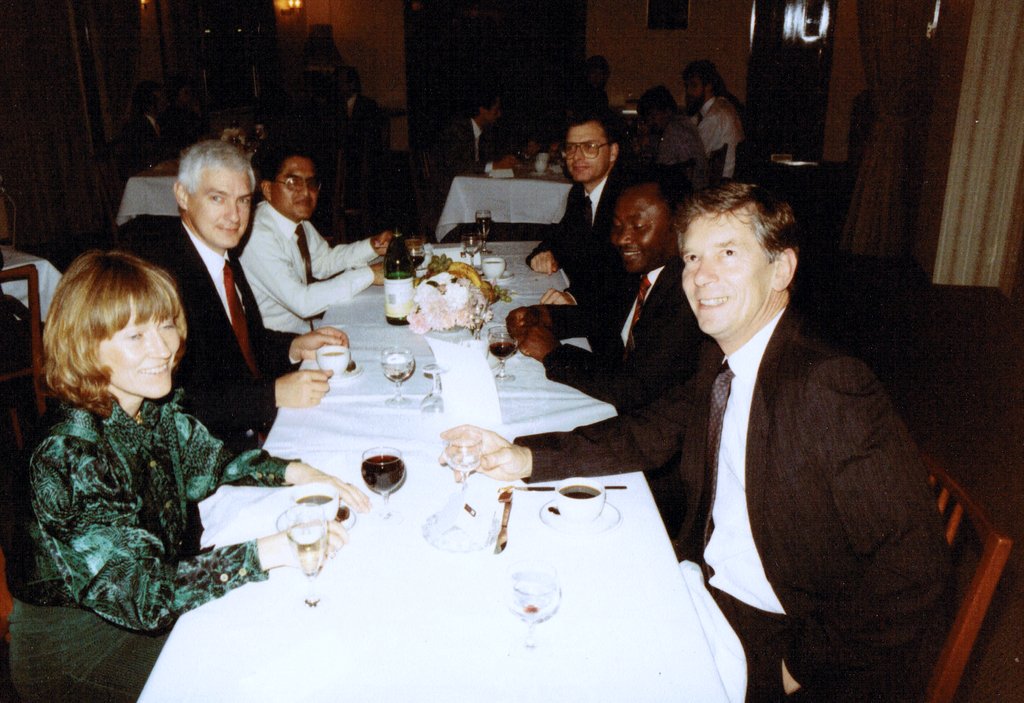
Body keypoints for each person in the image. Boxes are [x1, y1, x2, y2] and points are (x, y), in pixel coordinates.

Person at [444, 183, 951, 701]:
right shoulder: (723, 358)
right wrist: (524, 456)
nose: (701, 276)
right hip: (703, 586)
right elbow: (647, 432)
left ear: (781, 269)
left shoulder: (825, 384)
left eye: (727, 254)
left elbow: (917, 568)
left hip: (775, 634)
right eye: (691, 257)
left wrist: (796, 666)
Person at [6, 250, 370, 702]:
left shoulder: (149, 407)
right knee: (260, 668)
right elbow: (145, 597)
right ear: (86, 346)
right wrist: (273, 549)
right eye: (135, 335)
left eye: (165, 325)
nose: (163, 348)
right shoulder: (69, 456)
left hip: (145, 601)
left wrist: (299, 471)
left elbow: (213, 462)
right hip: (81, 649)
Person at [133, 140, 347, 451]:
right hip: (210, 451)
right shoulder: (162, 278)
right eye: (217, 198)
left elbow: (243, 344)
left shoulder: (221, 253)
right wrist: (271, 395)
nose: (234, 216)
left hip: (248, 422)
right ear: (182, 195)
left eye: (243, 201)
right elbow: (170, 403)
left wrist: (294, 347)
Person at [508, 173, 702, 412]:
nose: (622, 239)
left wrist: (552, 353)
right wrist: (545, 316)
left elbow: (634, 388)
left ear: (679, 227)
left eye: (638, 226)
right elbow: (603, 318)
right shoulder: (642, 270)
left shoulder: (688, 296)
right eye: (617, 226)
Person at [241, 143, 392, 334]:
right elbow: (303, 303)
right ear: (268, 189)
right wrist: (369, 275)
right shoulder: (257, 235)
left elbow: (323, 261)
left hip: (306, 328)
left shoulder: (296, 221)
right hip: (279, 342)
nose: (305, 192)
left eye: (311, 183)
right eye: (292, 182)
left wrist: (372, 246)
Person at [526, 109, 635, 315]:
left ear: (613, 152)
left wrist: (575, 297)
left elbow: (622, 275)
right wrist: (544, 254)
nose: (577, 156)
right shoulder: (578, 193)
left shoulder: (627, 200)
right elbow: (562, 237)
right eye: (571, 147)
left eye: (589, 147)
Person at [636, 85, 709, 190]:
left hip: (689, 191)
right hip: (696, 186)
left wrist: (644, 144)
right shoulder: (683, 123)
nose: (650, 122)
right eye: (648, 118)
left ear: (667, 112)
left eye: (653, 116)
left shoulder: (674, 131)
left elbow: (660, 169)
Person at [438, 87, 517, 184]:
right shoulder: (457, 130)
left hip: (474, 183)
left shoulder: (487, 130)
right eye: (496, 110)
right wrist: (493, 166)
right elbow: (455, 166)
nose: (499, 114)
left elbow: (492, 156)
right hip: (452, 186)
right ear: (483, 110)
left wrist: (506, 160)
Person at [682, 60, 744, 179]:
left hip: (719, 183)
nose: (688, 92)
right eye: (687, 86)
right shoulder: (720, 105)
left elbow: (692, 157)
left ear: (708, 86)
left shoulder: (715, 116)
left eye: (694, 85)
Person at [116, 80, 168, 179]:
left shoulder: (159, 123)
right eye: (161, 98)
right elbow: (146, 160)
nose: (165, 102)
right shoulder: (138, 128)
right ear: (150, 103)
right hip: (143, 178)